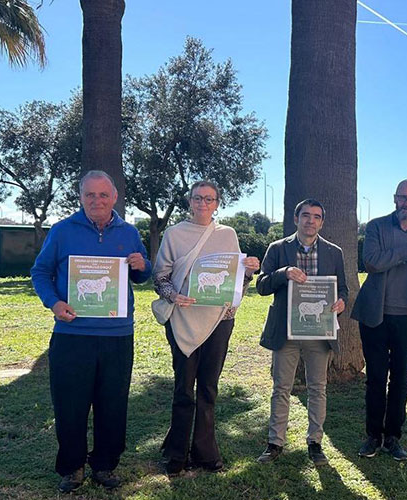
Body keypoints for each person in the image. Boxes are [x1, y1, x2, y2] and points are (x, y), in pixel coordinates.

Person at [31, 170, 152, 493]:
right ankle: (72, 467)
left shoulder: (128, 231)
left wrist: (143, 265)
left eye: (103, 195)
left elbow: (143, 275)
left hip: (117, 336)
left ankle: (105, 464)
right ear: (80, 198)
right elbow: (40, 272)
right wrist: (54, 303)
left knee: (113, 403)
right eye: (89, 195)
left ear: (114, 197)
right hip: (72, 335)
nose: (96, 201)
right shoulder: (62, 231)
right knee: (70, 403)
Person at [152, 181, 260, 475]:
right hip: (183, 320)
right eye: (198, 198)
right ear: (190, 201)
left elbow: (236, 281)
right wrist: (175, 296)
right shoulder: (174, 234)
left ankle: (205, 452)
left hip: (219, 322)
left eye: (209, 199)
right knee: (184, 389)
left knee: (208, 389)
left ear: (217, 203)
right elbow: (159, 278)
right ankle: (176, 455)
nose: (203, 203)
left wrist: (249, 271)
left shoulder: (228, 235)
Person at [254, 199, 350, 467]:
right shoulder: (277, 248)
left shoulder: (334, 252)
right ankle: (275, 443)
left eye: (317, 216)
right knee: (281, 387)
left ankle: (315, 442)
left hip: (319, 332)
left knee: (318, 388)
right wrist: (284, 273)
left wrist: (341, 303)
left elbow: (342, 288)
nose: (311, 221)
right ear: (296, 219)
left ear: (322, 222)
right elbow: (261, 285)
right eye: (305, 215)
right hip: (286, 331)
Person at [351, 179, 407, 461]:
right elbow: (372, 263)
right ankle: (372, 436)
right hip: (375, 316)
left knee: (400, 379)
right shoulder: (377, 227)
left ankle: (393, 438)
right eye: (403, 198)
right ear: (394, 199)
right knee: (376, 378)